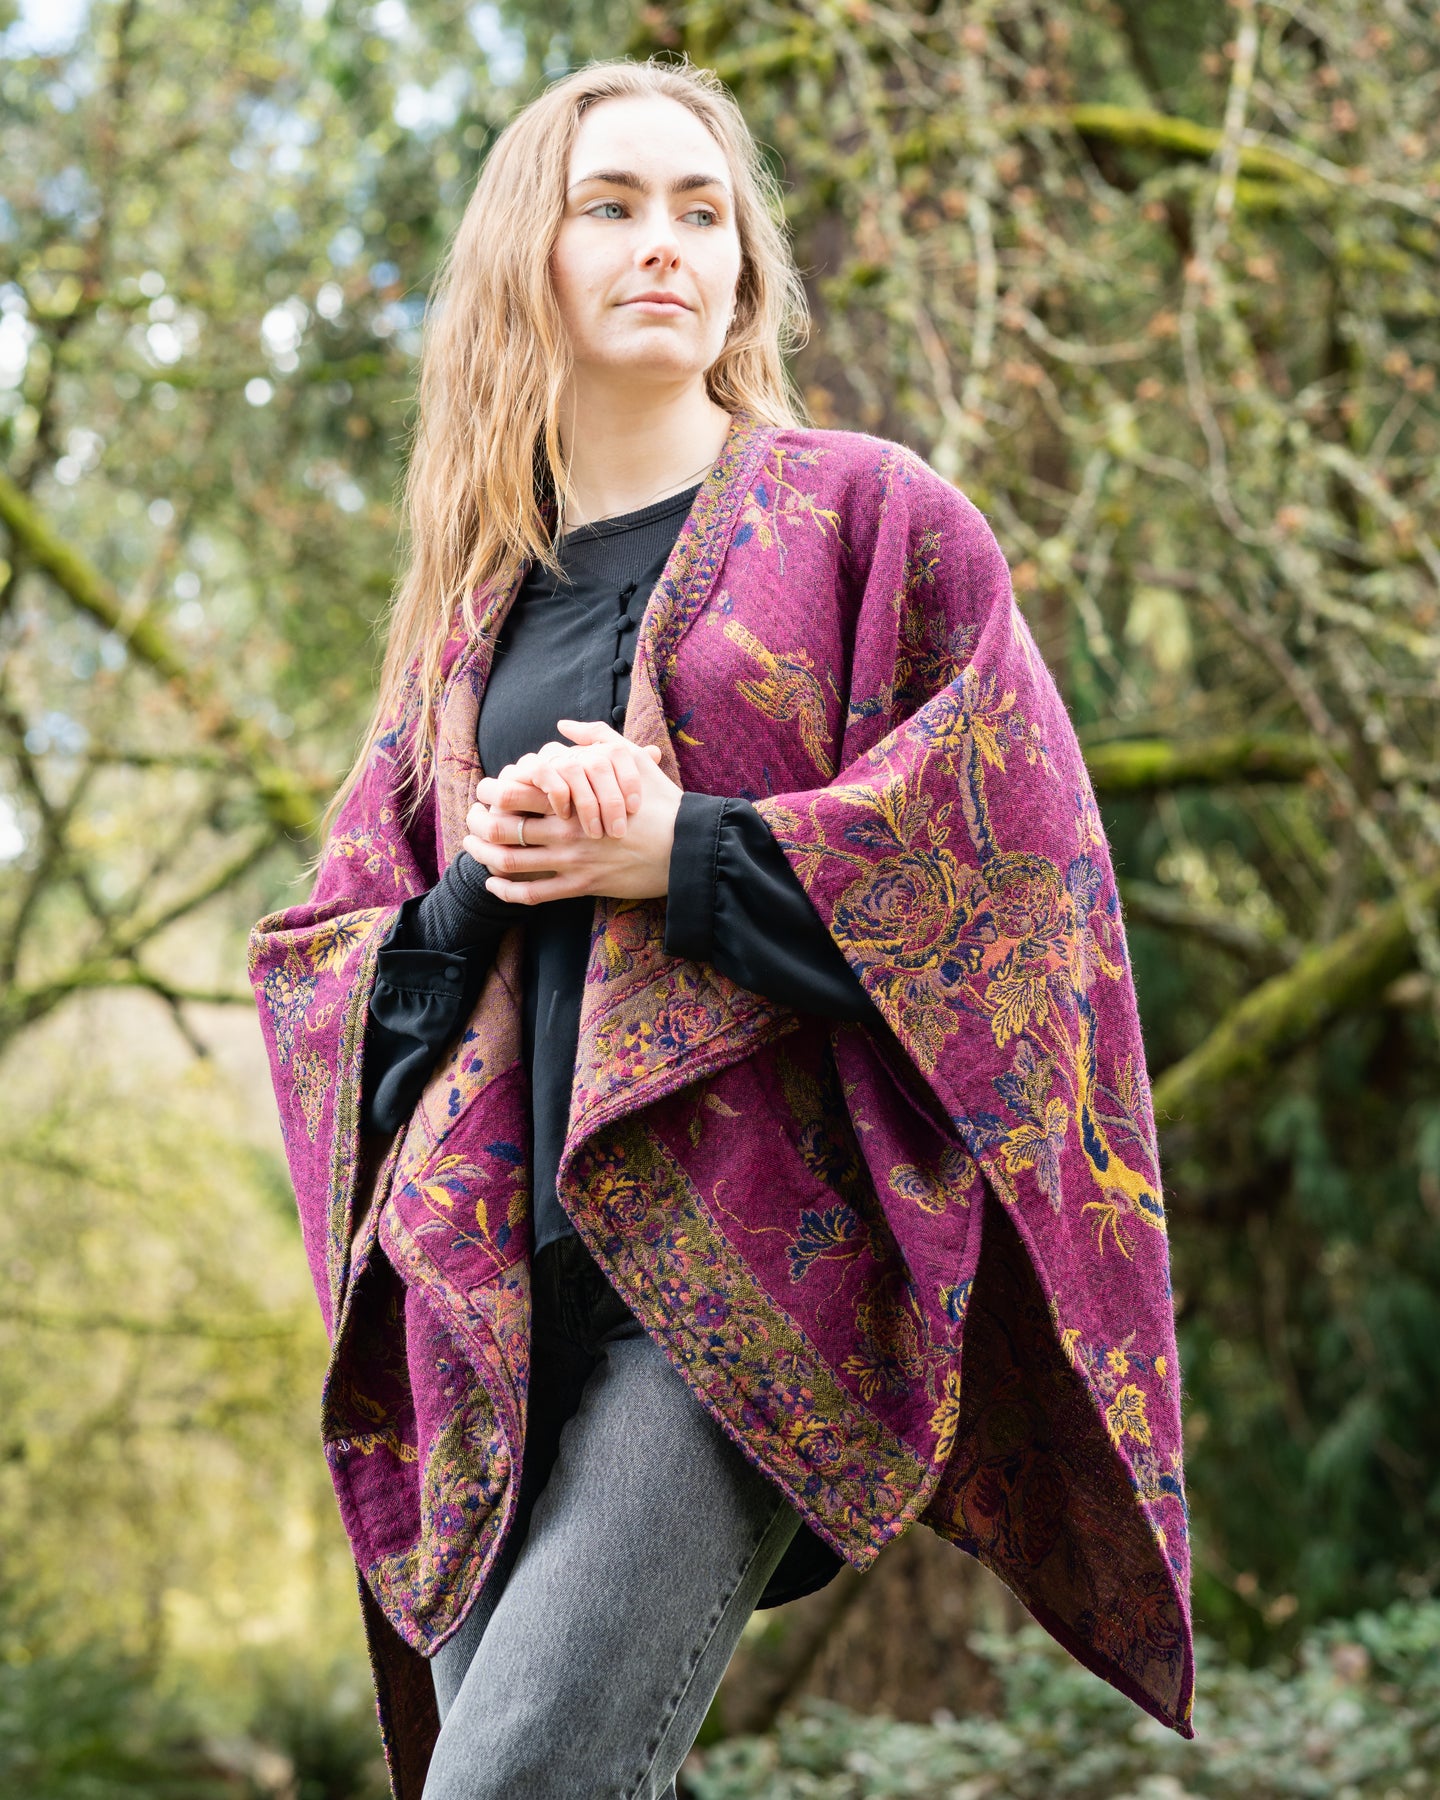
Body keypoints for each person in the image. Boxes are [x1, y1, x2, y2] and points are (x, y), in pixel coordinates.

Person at [250, 53, 1193, 1800]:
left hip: (744, 1295)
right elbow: (324, 982)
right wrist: (491, 873)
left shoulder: (868, 521)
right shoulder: (468, 616)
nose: (663, 243)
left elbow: (1019, 902)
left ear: (746, 263)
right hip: (490, 1307)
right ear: (528, 255)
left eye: (702, 210)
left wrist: (679, 852)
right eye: (610, 206)